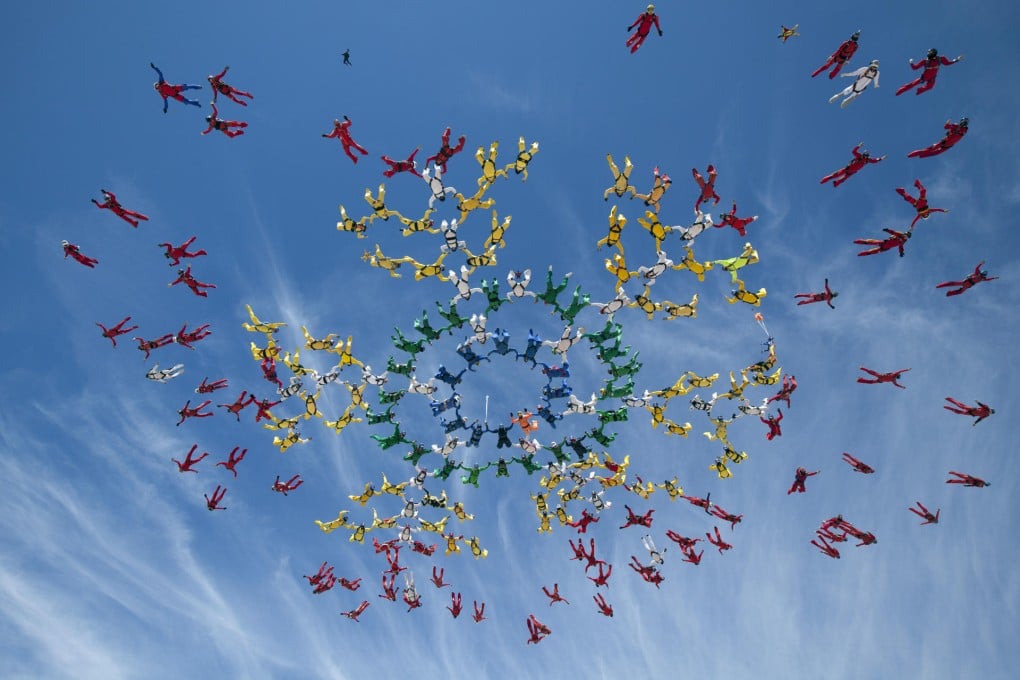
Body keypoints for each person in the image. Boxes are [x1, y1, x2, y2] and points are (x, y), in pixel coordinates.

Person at [896, 48, 962, 96]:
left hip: (932, 78)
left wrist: (956, 60)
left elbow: (947, 63)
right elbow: (915, 68)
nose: (928, 54)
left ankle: (919, 90)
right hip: (924, 77)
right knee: (912, 84)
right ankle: (900, 91)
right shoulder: (925, 61)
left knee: (930, 87)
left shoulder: (940, 59)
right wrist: (911, 63)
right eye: (928, 53)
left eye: (929, 53)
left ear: (933, 53)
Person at [820, 143, 885, 187]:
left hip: (852, 172)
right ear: (863, 154)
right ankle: (824, 180)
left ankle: (836, 183)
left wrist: (881, 158)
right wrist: (859, 146)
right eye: (865, 155)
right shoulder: (859, 156)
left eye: (867, 155)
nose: (866, 156)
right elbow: (853, 151)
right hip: (847, 169)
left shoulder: (867, 160)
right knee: (835, 175)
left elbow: (875, 161)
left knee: (842, 179)